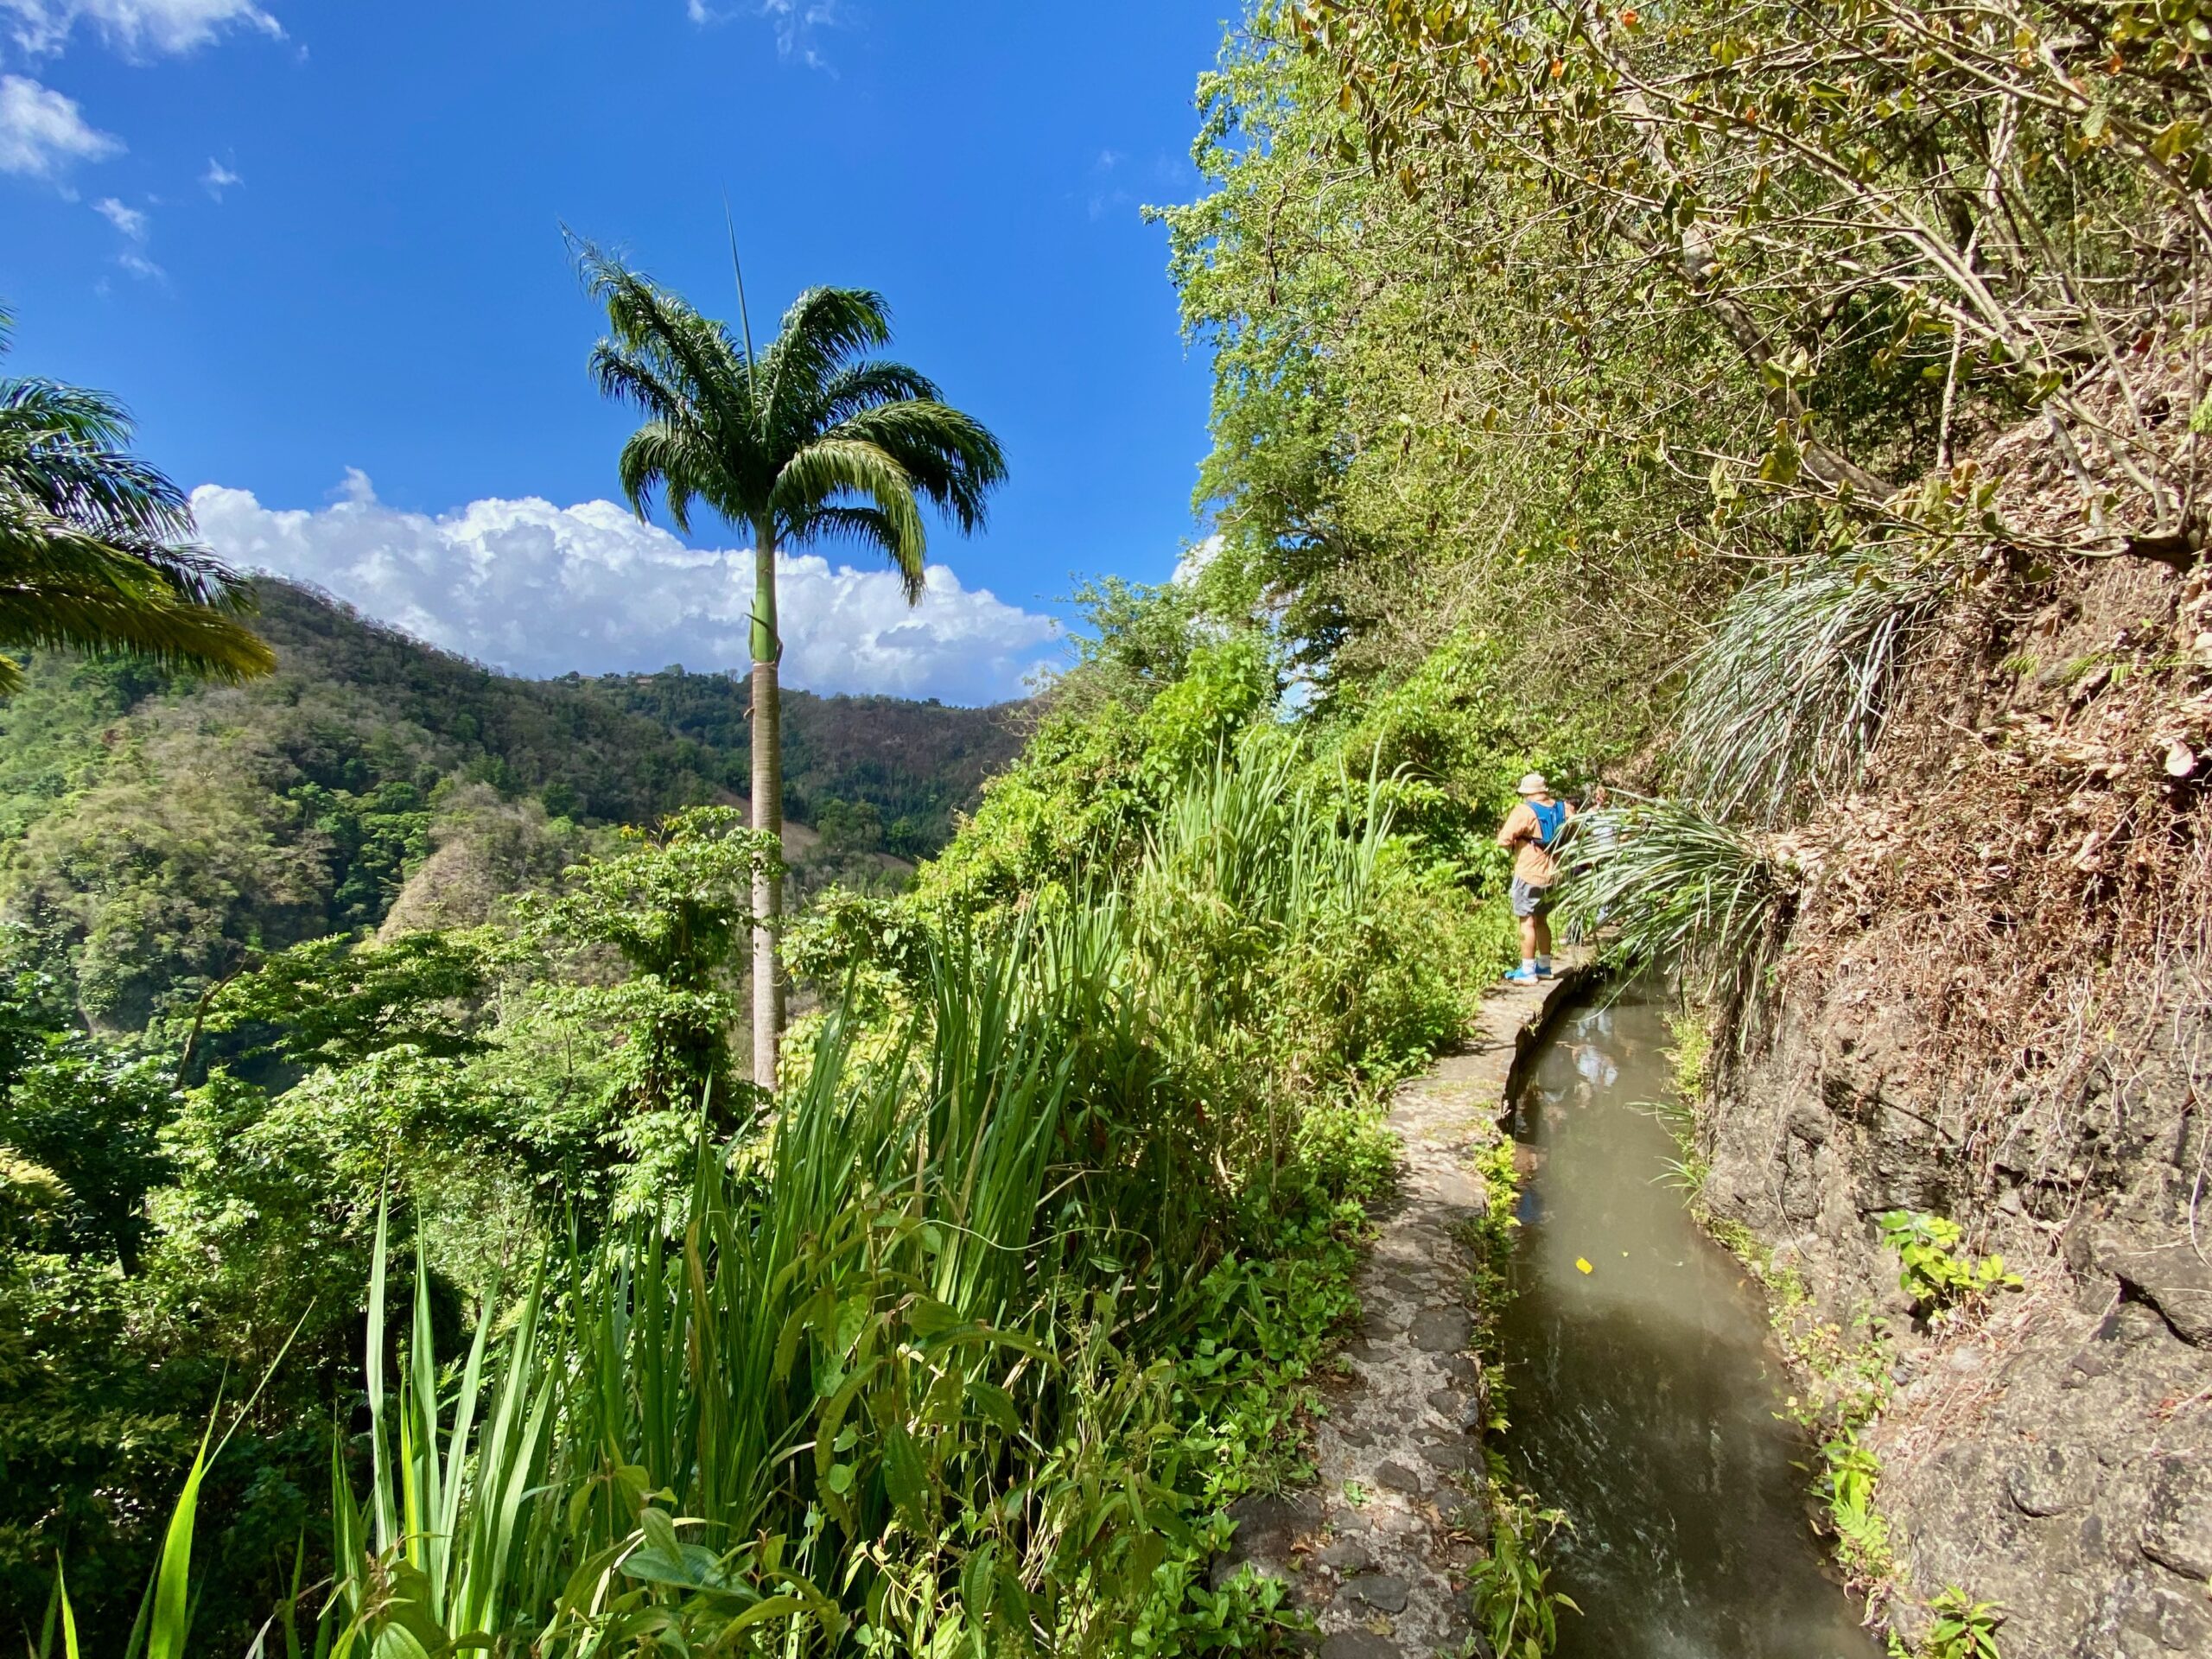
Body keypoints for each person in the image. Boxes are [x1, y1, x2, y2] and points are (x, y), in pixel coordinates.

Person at [1497, 772, 1573, 984]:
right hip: (1554, 873)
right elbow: (1577, 833)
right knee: (1542, 919)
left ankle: (1527, 970)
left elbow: (1503, 840)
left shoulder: (1524, 811)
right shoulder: (1565, 809)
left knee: (1526, 920)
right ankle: (1545, 966)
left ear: (1528, 793)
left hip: (1529, 872)